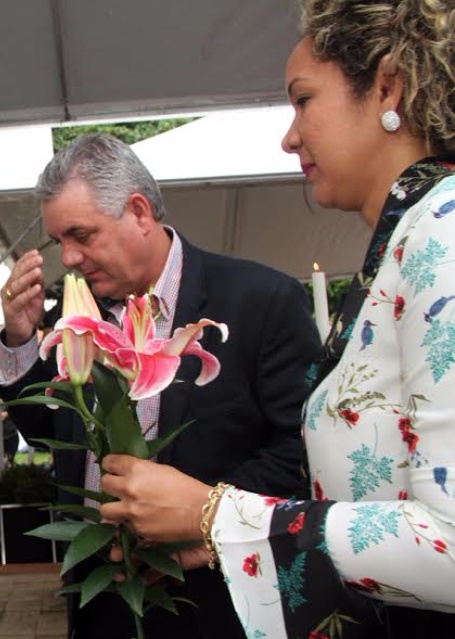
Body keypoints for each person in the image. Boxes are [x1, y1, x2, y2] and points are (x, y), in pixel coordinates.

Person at [99, 1, 455, 637]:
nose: (289, 135)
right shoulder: (407, 240)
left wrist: (215, 514)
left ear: (387, 86)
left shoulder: (443, 233)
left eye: (303, 99)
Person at [0, 133, 320, 639]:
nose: (70, 259)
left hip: (219, 602)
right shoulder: (80, 317)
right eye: (60, 242)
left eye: (82, 235)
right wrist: (19, 338)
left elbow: (299, 451)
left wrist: (202, 516)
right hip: (103, 603)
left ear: (140, 212)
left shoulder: (262, 300)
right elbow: (49, 436)